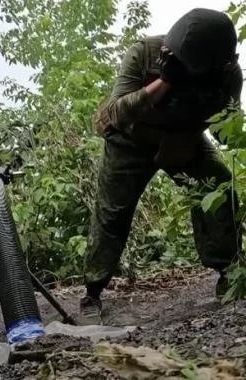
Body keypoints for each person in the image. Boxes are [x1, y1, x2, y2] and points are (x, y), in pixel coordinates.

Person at [81, 8, 243, 317]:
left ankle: (229, 275)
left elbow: (226, 129)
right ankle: (92, 291)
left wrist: (231, 125)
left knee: (221, 188)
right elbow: (115, 114)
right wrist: (164, 83)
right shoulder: (144, 54)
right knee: (112, 212)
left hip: (185, 140)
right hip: (131, 141)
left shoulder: (225, 72)